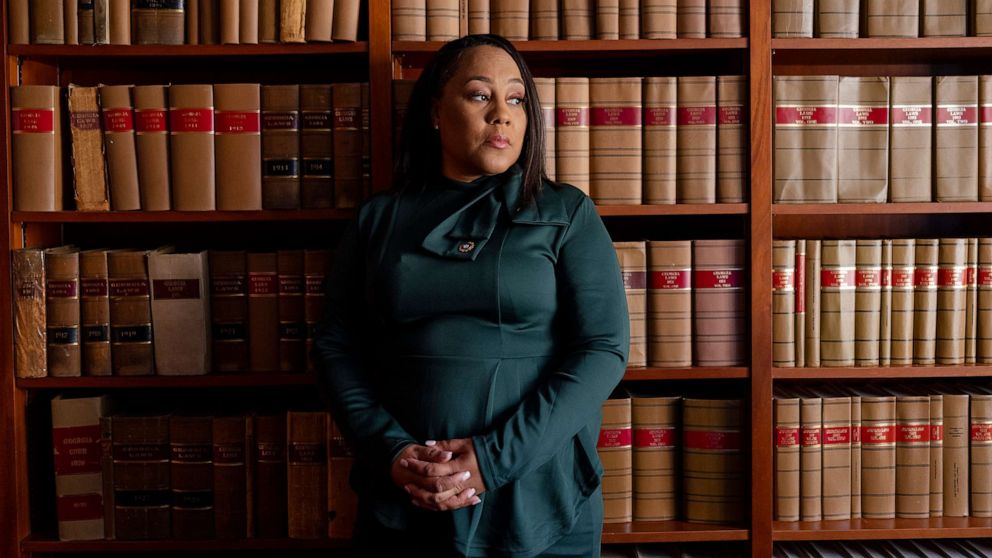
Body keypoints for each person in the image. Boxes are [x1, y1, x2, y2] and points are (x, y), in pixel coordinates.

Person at [314, 34, 629, 558]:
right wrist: (392, 452)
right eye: (481, 95)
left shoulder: (567, 213)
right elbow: (334, 348)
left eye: (516, 99)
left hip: (537, 490)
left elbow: (603, 349)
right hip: (407, 489)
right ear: (436, 111)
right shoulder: (378, 220)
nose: (502, 115)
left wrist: (491, 460)